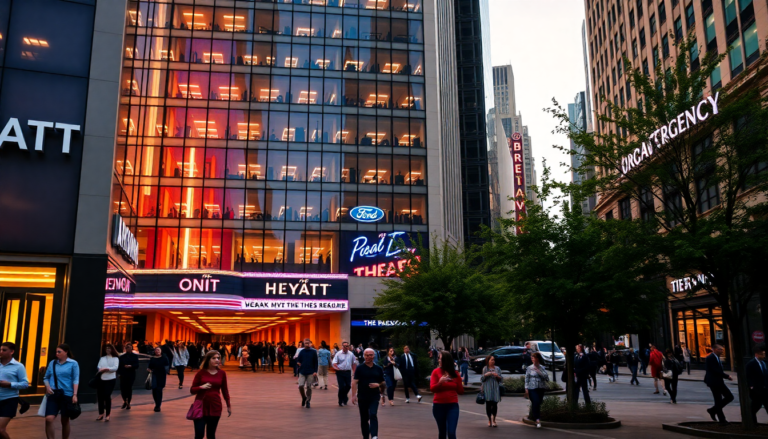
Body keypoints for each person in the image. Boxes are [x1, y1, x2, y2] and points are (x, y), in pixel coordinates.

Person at [190, 351, 231, 439]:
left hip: (215, 406)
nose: (217, 360)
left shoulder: (222, 373)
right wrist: (201, 387)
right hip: (200, 407)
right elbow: (192, 390)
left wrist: (228, 405)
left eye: (218, 358)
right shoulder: (200, 373)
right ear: (208, 360)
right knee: (199, 435)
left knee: (211, 435)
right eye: (214, 358)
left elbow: (225, 390)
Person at [43, 344, 79, 439]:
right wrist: (47, 386)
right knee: (49, 419)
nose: (57, 354)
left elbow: (76, 379)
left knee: (65, 420)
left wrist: (75, 394)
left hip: (67, 394)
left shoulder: (73, 363)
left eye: (59, 351)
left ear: (66, 352)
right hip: (53, 394)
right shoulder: (53, 363)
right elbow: (46, 377)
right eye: (56, 352)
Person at [351, 349, 386, 439]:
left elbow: (383, 382)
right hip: (362, 396)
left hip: (374, 396)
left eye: (370, 355)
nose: (368, 357)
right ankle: (366, 436)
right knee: (364, 419)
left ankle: (374, 436)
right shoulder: (360, 368)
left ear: (374, 356)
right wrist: (353, 395)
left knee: (373, 414)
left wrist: (378, 385)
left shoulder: (378, 368)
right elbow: (354, 382)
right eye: (366, 355)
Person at [430, 351, 463, 439]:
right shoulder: (436, 372)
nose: (438, 361)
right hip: (438, 406)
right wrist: (440, 383)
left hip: (452, 406)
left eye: (440, 359)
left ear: (445, 360)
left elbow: (460, 391)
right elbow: (432, 388)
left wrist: (458, 380)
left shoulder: (455, 373)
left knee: (451, 432)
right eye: (438, 359)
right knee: (442, 432)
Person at [0, 342, 28, 439]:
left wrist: (10, 384)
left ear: (11, 352)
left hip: (9, 400)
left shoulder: (19, 366)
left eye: (4, 350)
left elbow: (25, 384)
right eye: (0, 349)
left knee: (0, 429)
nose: (1, 352)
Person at [704, 344, 734, 424]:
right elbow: (715, 370)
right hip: (714, 382)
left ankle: (713, 410)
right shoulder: (710, 358)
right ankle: (722, 420)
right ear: (715, 349)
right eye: (720, 349)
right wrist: (727, 376)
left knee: (729, 397)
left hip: (718, 381)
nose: (722, 351)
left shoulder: (717, 358)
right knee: (719, 399)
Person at [525, 352, 550, 429]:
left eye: (534, 358)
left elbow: (546, 378)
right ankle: (537, 419)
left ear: (538, 359)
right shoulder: (529, 368)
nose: (532, 359)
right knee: (535, 402)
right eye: (532, 358)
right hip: (532, 388)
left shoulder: (542, 367)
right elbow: (527, 379)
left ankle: (534, 415)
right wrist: (526, 388)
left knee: (538, 402)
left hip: (540, 387)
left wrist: (538, 371)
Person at [95, 343, 119, 421]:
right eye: (106, 348)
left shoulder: (115, 358)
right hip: (102, 379)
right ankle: (101, 413)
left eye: (109, 348)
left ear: (112, 349)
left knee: (107, 396)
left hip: (111, 379)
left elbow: (115, 368)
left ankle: (108, 414)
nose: (108, 350)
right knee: (100, 397)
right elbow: (99, 366)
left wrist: (106, 369)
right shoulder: (102, 358)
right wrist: (102, 369)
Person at [746, 344, 768, 423]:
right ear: (757, 355)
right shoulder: (751, 364)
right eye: (762, 354)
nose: (764, 356)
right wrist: (751, 386)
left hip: (764, 389)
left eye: (764, 354)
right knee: (755, 406)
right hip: (757, 389)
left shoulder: (764, 363)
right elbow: (748, 376)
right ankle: (753, 422)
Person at [332, 341, 358, 406]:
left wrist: (354, 372)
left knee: (348, 386)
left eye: (347, 346)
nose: (346, 347)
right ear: (342, 347)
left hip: (347, 372)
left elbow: (353, 363)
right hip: (340, 372)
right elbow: (334, 362)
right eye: (344, 346)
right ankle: (340, 400)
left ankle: (344, 396)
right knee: (341, 387)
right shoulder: (338, 354)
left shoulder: (351, 354)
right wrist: (337, 368)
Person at [482, 354, 503, 428]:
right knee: (488, 404)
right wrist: (487, 375)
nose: (493, 361)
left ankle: (494, 419)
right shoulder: (485, 369)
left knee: (495, 404)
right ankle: (489, 420)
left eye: (494, 360)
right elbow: (482, 379)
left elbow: (501, 379)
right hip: (488, 388)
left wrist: (497, 376)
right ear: (488, 361)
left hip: (495, 388)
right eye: (491, 360)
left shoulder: (497, 368)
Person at [296, 339, 318, 408]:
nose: (307, 345)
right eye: (305, 343)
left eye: (308, 343)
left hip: (310, 372)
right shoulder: (302, 352)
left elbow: (316, 362)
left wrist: (315, 371)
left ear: (310, 344)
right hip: (302, 371)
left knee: (309, 387)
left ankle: (308, 401)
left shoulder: (313, 352)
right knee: (300, 386)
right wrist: (298, 363)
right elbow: (298, 360)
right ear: (303, 344)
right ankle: (304, 397)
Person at [148, 346, 170, 412]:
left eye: (158, 350)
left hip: (161, 376)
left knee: (159, 390)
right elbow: (149, 367)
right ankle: (156, 403)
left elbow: (167, 367)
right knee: (154, 389)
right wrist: (149, 369)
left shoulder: (164, 358)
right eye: (156, 350)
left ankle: (158, 405)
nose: (157, 351)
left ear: (161, 351)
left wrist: (165, 371)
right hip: (154, 375)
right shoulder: (152, 358)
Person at [118, 343, 139, 410]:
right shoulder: (122, 357)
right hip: (123, 374)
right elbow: (119, 366)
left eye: (129, 347)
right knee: (122, 388)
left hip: (131, 374)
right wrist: (119, 373)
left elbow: (137, 365)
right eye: (127, 347)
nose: (128, 349)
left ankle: (128, 402)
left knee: (129, 388)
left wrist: (131, 366)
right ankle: (125, 401)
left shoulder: (135, 356)